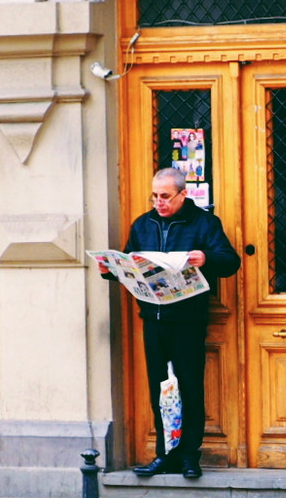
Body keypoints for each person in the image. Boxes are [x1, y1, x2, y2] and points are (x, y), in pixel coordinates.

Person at [99, 167, 240, 479]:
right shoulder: (142, 224)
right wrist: (109, 268)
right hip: (153, 318)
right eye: (155, 196)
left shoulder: (204, 223)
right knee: (159, 389)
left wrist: (206, 258)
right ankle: (165, 455)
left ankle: (190, 455)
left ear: (182, 195)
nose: (158, 202)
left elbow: (230, 261)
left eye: (165, 196)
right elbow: (129, 263)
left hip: (188, 319)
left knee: (189, 387)